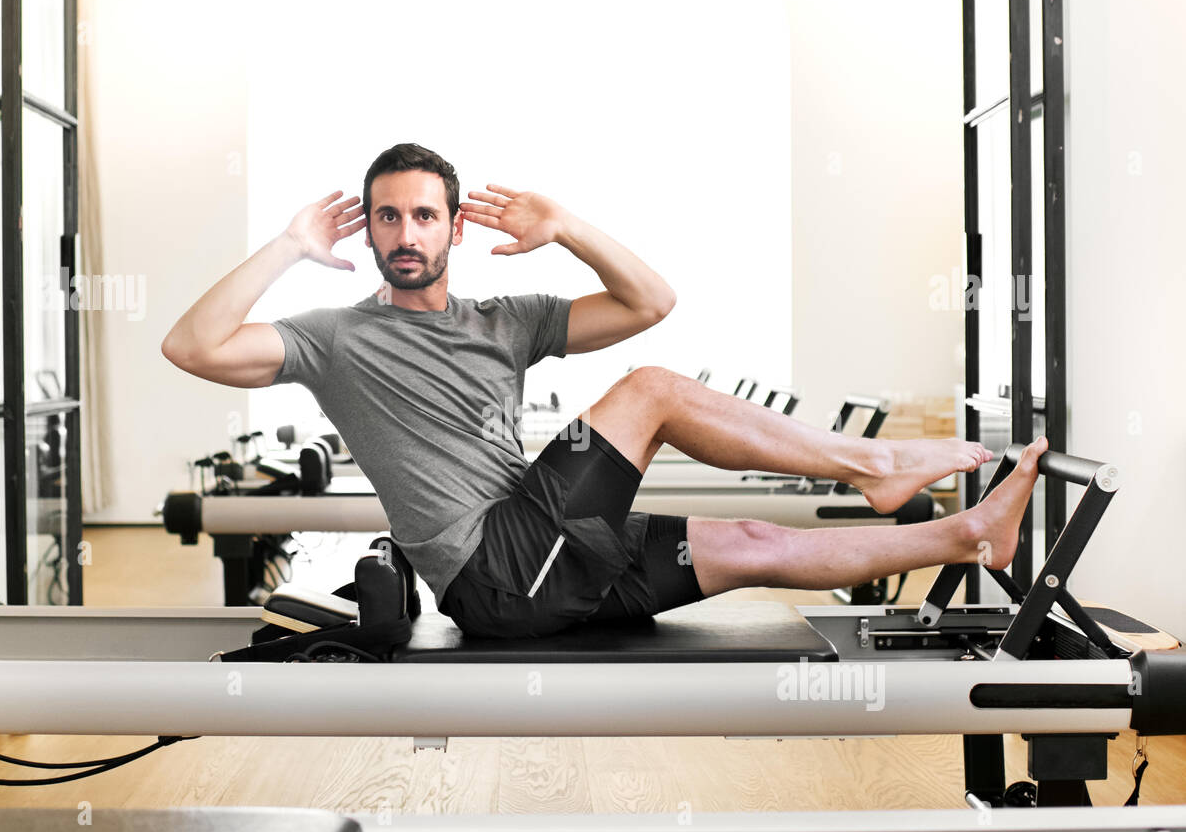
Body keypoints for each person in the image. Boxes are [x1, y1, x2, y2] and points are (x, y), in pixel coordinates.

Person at [162, 142, 1046, 639]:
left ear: (453, 228)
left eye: (424, 214)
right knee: (652, 391)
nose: (404, 232)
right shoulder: (336, 338)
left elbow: (650, 301)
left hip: (543, 549)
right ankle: (879, 465)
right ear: (372, 226)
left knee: (749, 543)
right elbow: (190, 346)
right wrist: (285, 245)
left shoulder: (507, 320)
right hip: (490, 566)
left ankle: (967, 536)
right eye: (387, 214)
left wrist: (571, 228)